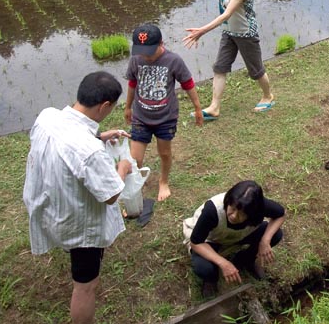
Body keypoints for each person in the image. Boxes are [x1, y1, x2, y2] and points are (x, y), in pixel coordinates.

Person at [23, 71, 133, 324]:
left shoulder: (47, 116)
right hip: (79, 223)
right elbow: (111, 195)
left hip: (49, 203)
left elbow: (69, 141)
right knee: (85, 285)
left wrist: (99, 136)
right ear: (104, 106)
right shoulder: (90, 151)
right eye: (111, 108)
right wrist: (124, 167)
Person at [183, 0, 275, 117]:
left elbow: (226, 14)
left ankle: (267, 96)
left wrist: (201, 31)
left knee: (256, 70)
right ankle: (214, 107)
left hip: (245, 33)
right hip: (229, 31)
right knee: (220, 67)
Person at [125, 24, 204, 201]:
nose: (145, 55)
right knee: (135, 159)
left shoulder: (173, 61)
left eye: (149, 51)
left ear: (161, 43)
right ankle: (137, 184)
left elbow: (188, 84)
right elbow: (132, 83)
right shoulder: (136, 59)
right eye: (141, 51)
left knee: (165, 153)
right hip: (140, 116)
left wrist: (198, 108)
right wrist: (128, 106)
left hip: (165, 118)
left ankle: (164, 181)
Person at [183, 180, 286, 295]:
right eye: (232, 208)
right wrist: (224, 263)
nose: (234, 216)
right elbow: (196, 242)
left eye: (242, 213)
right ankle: (211, 280)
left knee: (276, 235)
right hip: (210, 239)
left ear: (252, 212)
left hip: (239, 235)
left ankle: (245, 260)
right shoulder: (212, 210)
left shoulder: (258, 206)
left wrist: (265, 240)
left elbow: (280, 214)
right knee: (204, 268)